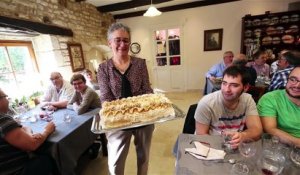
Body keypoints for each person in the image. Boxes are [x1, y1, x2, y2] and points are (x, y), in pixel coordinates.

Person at [97, 23, 154, 175]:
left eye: (126, 40)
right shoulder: (103, 68)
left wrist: (145, 106)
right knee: (116, 161)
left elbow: (147, 89)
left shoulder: (140, 63)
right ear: (110, 43)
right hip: (117, 121)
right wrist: (122, 112)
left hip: (143, 118)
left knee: (144, 157)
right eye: (118, 40)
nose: (123, 44)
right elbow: (105, 97)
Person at [195, 65, 262, 148]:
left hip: (235, 147)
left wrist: (243, 136)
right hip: (212, 146)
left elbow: (257, 130)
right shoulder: (207, 103)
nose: (227, 90)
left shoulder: (248, 100)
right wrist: (224, 145)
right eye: (224, 83)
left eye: (234, 85)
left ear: (245, 87)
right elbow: (201, 135)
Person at [0, 88, 56, 175]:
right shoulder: (2, 119)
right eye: (6, 97)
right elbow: (32, 145)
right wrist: (47, 131)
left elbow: (25, 129)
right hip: (17, 171)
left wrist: (29, 135)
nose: (8, 101)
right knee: (49, 156)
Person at [258, 66, 300, 146]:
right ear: (287, 79)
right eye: (293, 79)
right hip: (284, 148)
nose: (297, 85)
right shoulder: (271, 99)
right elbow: (270, 130)